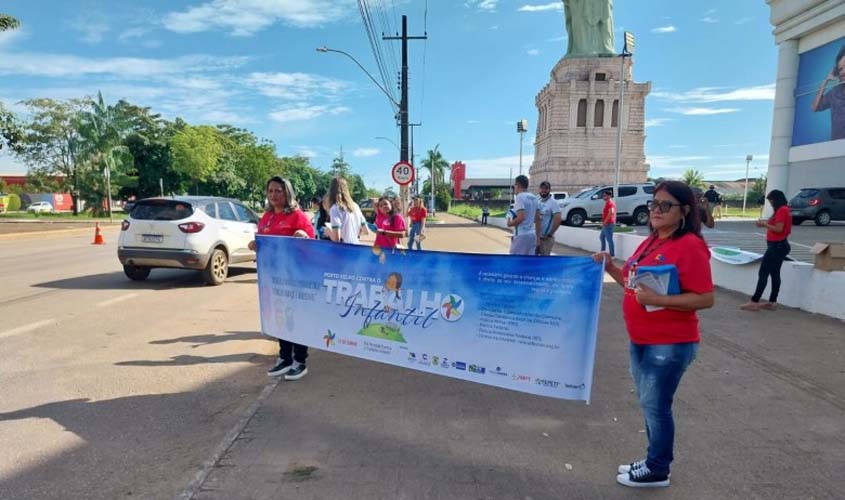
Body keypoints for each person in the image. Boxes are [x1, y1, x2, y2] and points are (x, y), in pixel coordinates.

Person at [592, 180, 714, 488]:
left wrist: (658, 301)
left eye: (665, 205)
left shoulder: (690, 246)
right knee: (650, 404)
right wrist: (610, 268)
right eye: (653, 204)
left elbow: (705, 298)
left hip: (670, 343)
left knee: (657, 406)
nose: (656, 211)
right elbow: (634, 287)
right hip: (642, 340)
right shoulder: (652, 241)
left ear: (684, 211)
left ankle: (658, 469)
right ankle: (653, 459)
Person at [248, 176, 315, 381]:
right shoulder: (267, 216)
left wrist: (303, 236)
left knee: (295, 316)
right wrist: (255, 245)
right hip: (273, 277)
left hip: (294, 276)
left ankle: (300, 361)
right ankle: (284, 357)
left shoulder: (297, 215)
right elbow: (264, 240)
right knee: (279, 317)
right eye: (270, 191)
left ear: (287, 192)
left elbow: (311, 240)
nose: (274, 195)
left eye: (278, 191)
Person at [741, 190, 792, 311]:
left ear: (776, 200)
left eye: (771, 201)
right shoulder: (786, 209)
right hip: (780, 245)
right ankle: (772, 301)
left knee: (763, 273)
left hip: (776, 245)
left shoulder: (781, 210)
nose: (771, 204)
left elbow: (779, 229)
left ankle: (755, 301)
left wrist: (764, 225)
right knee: (775, 273)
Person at [811, 46, 845, 141]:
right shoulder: (835, 92)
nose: (842, 72)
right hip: (836, 146)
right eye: (840, 69)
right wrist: (825, 82)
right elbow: (814, 107)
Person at [326, 177, 368, 245]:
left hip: (344, 250)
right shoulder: (355, 206)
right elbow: (366, 231)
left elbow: (336, 238)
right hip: (356, 246)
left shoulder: (335, 208)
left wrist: (328, 232)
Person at [506, 175, 540, 255]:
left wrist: (509, 223)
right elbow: (538, 218)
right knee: (529, 262)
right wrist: (538, 237)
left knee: (516, 261)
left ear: (518, 185)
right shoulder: (534, 197)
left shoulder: (520, 197)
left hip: (521, 235)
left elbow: (521, 217)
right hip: (532, 235)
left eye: (515, 185)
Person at [536, 181, 562, 256]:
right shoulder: (538, 201)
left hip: (546, 239)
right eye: (542, 188)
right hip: (537, 237)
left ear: (549, 190)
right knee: (534, 260)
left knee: (544, 262)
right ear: (539, 189)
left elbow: (558, 219)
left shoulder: (553, 203)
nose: (543, 190)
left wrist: (550, 234)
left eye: (546, 188)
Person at [600, 189, 616, 257]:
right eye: (603, 195)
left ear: (609, 196)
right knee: (601, 237)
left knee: (609, 239)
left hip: (608, 224)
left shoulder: (610, 203)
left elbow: (611, 213)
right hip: (606, 224)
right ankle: (602, 253)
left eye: (605, 195)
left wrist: (605, 222)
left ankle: (612, 255)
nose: (603, 197)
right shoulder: (607, 203)